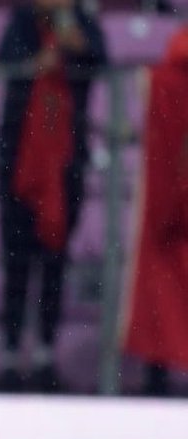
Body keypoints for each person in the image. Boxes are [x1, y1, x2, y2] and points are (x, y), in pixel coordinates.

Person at [0, 0, 106, 392]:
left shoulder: (83, 25)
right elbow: (3, 63)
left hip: (65, 164)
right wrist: (35, 64)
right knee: (16, 260)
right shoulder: (21, 23)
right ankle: (10, 354)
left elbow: (101, 63)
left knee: (54, 260)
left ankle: (45, 354)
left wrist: (77, 46)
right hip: (18, 161)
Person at [123, 25, 188, 397]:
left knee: (158, 293)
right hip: (176, 202)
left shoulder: (164, 81)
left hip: (168, 202)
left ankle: (156, 378)